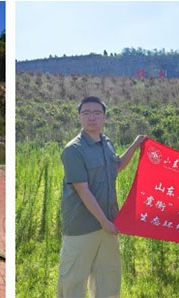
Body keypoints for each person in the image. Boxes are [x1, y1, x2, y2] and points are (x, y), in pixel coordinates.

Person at [58, 96, 145, 297]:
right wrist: (103, 221)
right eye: (86, 113)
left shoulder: (107, 143)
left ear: (104, 117)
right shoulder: (74, 150)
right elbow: (82, 190)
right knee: (73, 279)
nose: (91, 118)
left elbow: (116, 167)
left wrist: (135, 145)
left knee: (108, 276)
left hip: (108, 222)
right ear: (79, 117)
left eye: (97, 113)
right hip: (82, 226)